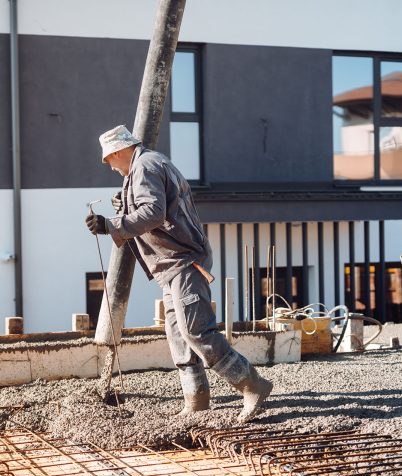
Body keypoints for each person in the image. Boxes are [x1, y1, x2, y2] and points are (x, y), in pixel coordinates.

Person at [85, 124, 273, 423]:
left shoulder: (145, 166)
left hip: (183, 260)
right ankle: (196, 400)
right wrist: (122, 209)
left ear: (118, 151)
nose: (110, 166)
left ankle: (253, 386)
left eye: (109, 160)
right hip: (171, 264)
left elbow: (153, 213)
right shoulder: (144, 166)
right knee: (178, 334)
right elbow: (154, 208)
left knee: (196, 330)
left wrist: (111, 224)